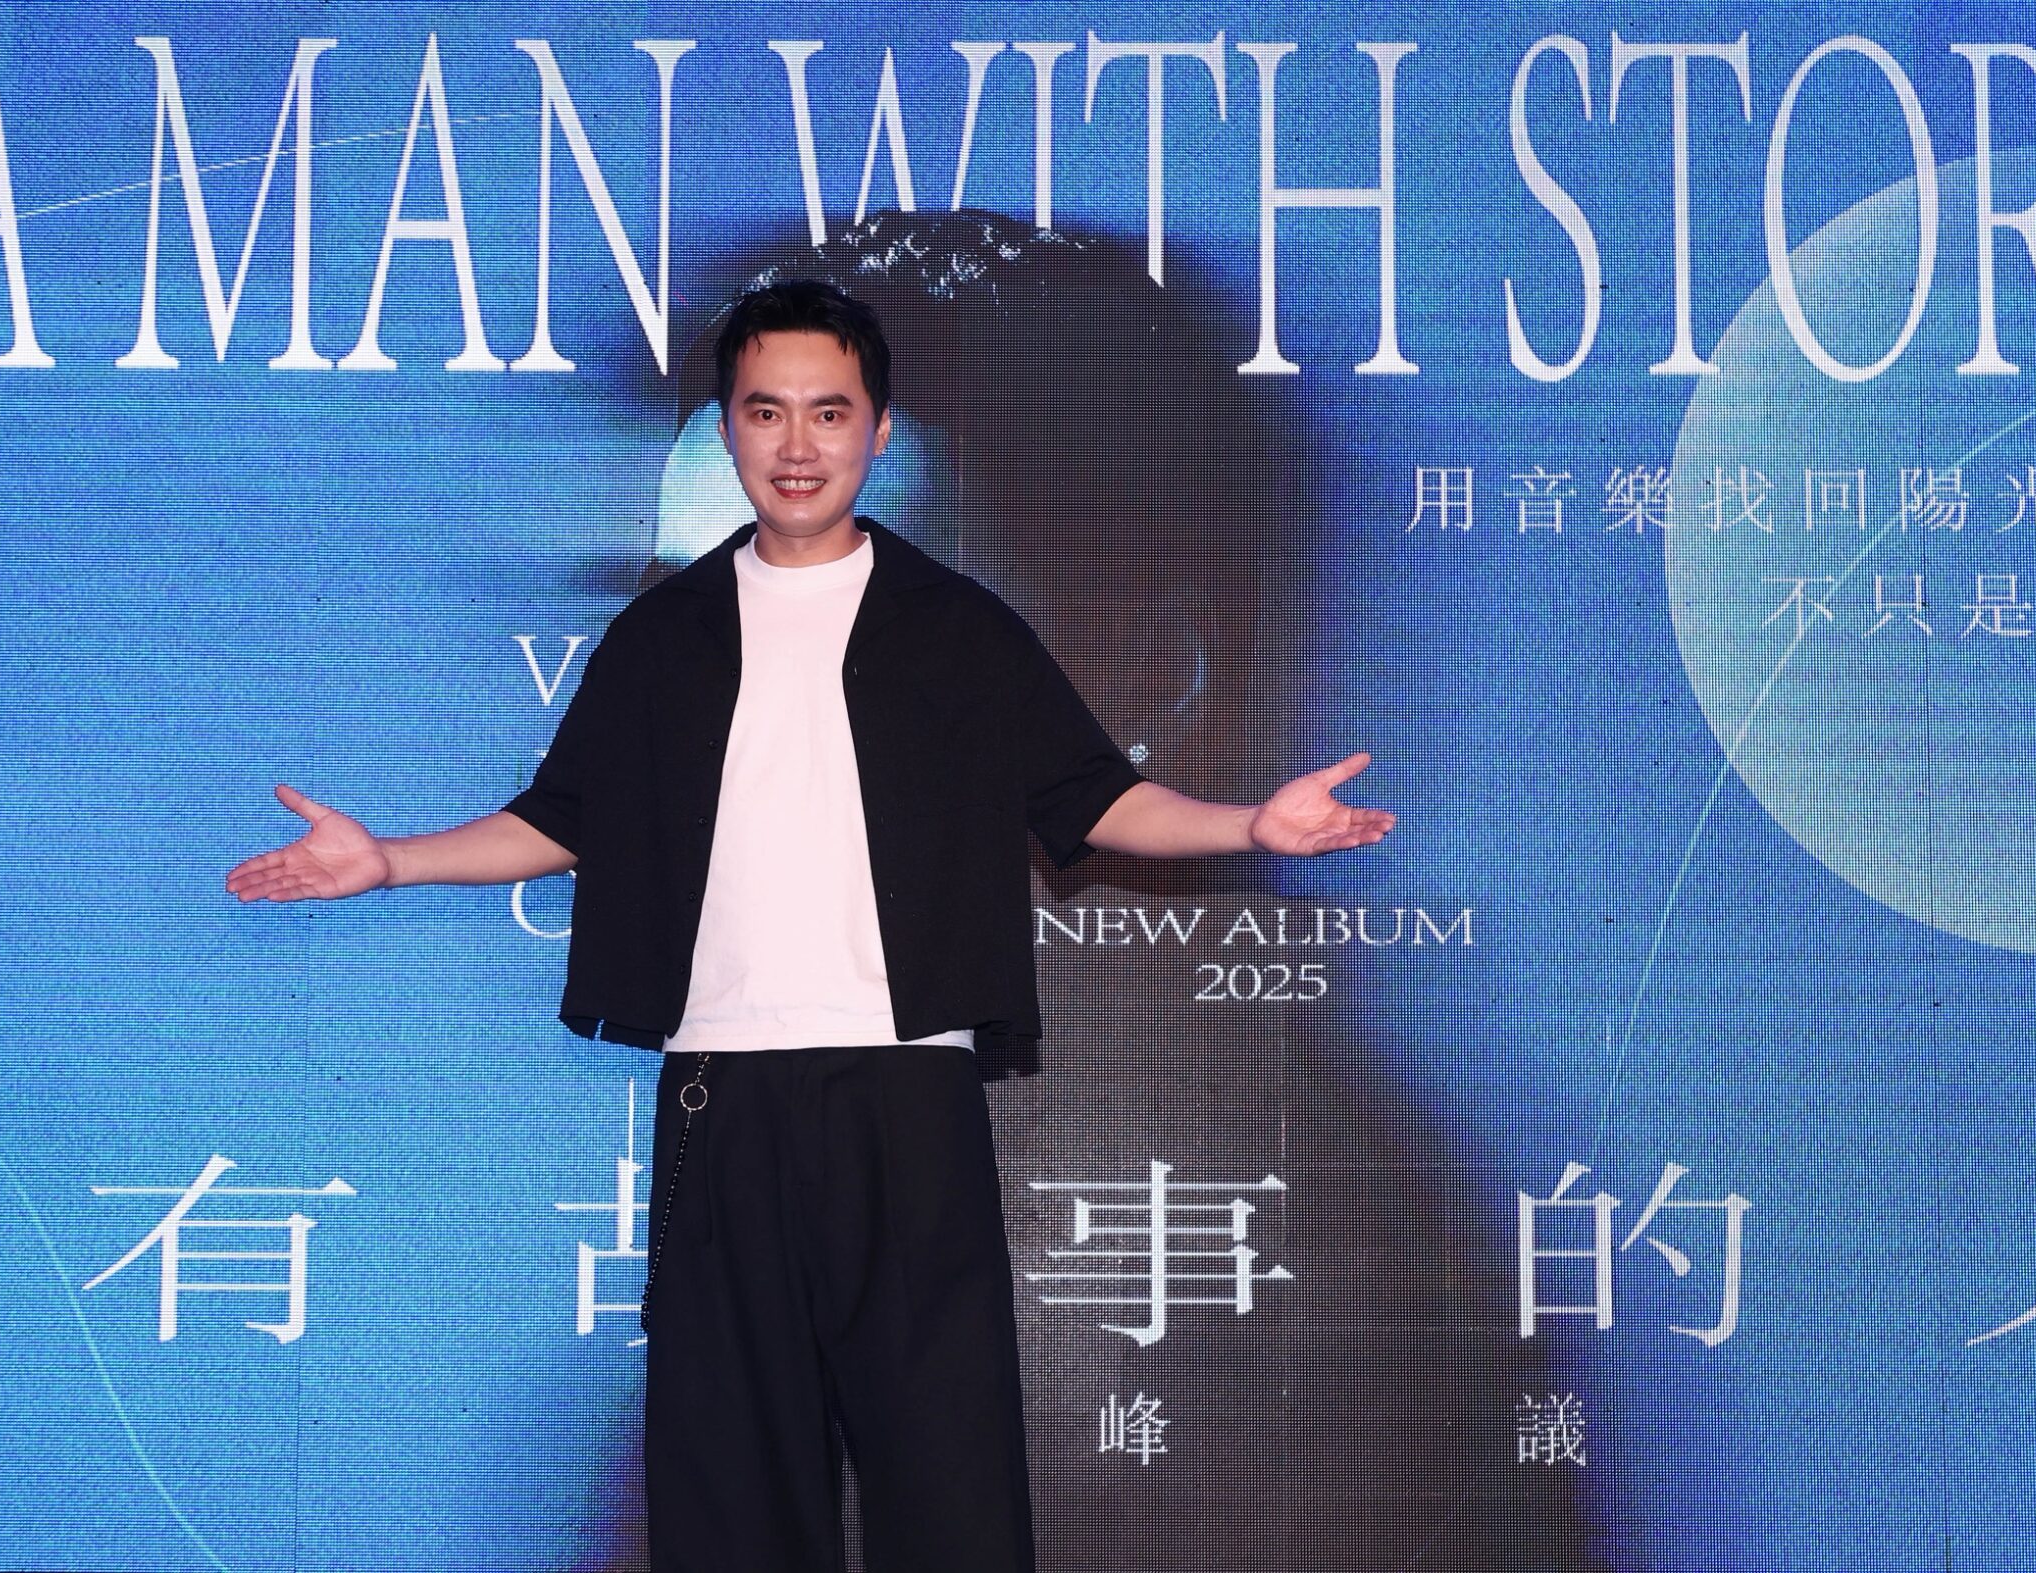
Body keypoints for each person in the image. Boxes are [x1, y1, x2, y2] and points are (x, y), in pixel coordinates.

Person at [225, 277, 1394, 1573]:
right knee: (728, 1487)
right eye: (765, 411)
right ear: (729, 428)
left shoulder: (957, 626)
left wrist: (1252, 825)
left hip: (906, 1096)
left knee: (946, 1485)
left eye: (828, 412)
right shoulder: (662, 636)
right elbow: (562, 820)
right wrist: (387, 861)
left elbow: (1094, 798)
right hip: (722, 1097)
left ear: (876, 430)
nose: (796, 444)